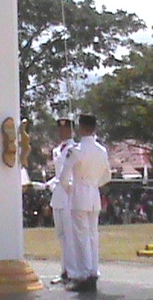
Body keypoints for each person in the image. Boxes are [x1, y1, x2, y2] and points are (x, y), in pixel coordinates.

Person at [60, 114, 112, 292]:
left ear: (81, 128)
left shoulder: (76, 150)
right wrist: (94, 183)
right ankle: (93, 271)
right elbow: (107, 175)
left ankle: (83, 275)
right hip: (93, 194)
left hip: (79, 193)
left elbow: (63, 178)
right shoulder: (101, 150)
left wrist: (71, 189)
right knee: (92, 234)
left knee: (81, 236)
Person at [46, 117, 77, 284]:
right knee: (61, 235)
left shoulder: (74, 148)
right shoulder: (57, 150)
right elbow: (58, 175)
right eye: (60, 130)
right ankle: (64, 270)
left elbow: (71, 174)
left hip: (69, 195)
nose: (62, 132)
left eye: (65, 130)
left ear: (72, 131)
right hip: (58, 195)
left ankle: (73, 272)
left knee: (70, 235)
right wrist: (47, 184)